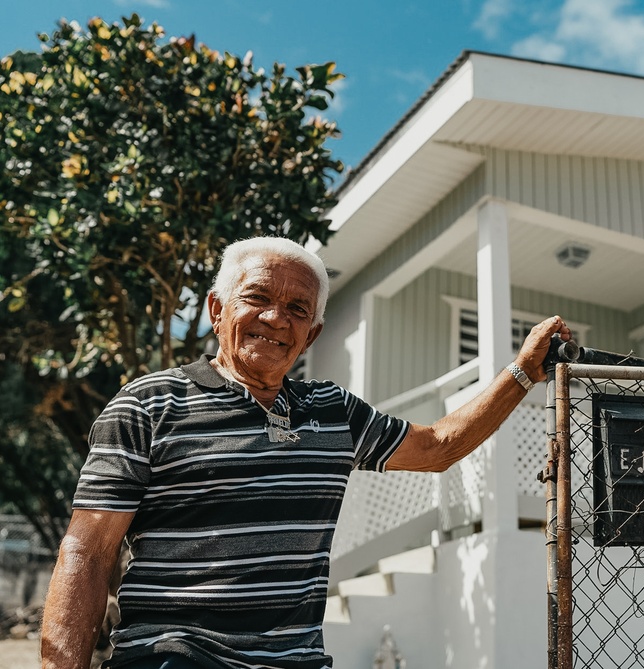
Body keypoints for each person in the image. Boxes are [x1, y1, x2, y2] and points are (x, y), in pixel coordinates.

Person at [40, 236, 572, 669]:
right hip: (174, 657)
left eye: (297, 309)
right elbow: (88, 552)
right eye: (257, 298)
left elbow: (436, 448)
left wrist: (522, 371)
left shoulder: (333, 411)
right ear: (217, 308)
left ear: (312, 333)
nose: (276, 318)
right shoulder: (148, 405)